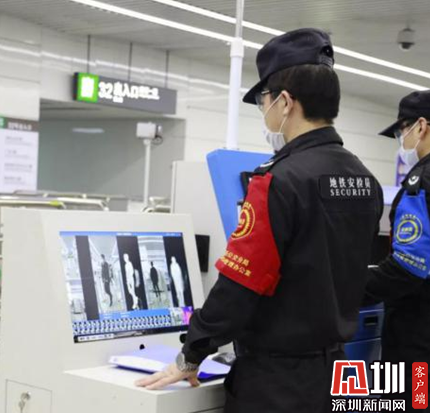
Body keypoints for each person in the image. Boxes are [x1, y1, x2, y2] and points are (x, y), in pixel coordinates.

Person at [136, 28, 384, 412]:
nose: (263, 108)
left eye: (262, 99)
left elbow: (240, 284)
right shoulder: (366, 181)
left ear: (284, 102)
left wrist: (192, 352)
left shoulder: (278, 181)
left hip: (277, 383)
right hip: (339, 374)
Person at [364, 91, 430, 412]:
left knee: (412, 404)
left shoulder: (421, 183)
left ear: (421, 126)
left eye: (400, 131)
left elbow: (408, 266)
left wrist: (348, 290)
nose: (400, 141)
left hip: (416, 342)